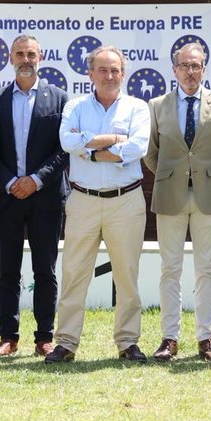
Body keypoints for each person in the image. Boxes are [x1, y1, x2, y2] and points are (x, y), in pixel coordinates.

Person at [45, 45, 150, 363]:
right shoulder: (76, 106)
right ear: (90, 74)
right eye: (102, 70)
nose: (109, 76)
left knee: (127, 276)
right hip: (83, 200)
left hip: (126, 200)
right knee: (74, 273)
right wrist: (115, 140)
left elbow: (138, 147)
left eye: (114, 70)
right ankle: (65, 343)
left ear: (123, 73)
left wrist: (89, 145)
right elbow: (67, 142)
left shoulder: (137, 108)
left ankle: (128, 342)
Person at [144, 42, 211, 361]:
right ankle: (169, 339)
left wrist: (207, 177)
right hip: (170, 194)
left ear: (204, 68)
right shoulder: (157, 105)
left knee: (206, 269)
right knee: (170, 268)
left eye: (196, 65)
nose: (190, 71)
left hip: (207, 196)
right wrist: (174, 175)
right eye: (184, 65)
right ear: (174, 70)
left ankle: (206, 340)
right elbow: (150, 152)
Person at [0, 35, 68, 358]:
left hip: (45, 198)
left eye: (31, 53)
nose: (25, 59)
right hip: (7, 198)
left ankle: (44, 336)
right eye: (19, 53)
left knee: (45, 270)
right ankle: (8, 336)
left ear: (41, 56)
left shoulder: (59, 99)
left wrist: (35, 180)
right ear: (9, 58)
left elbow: (64, 151)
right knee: (8, 270)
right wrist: (10, 182)